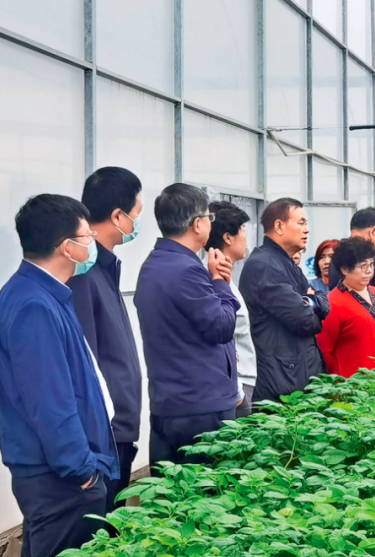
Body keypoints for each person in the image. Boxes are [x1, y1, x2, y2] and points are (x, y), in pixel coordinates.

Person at [0, 194, 118, 557]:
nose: (92, 242)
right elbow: (50, 402)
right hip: (59, 479)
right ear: (66, 246)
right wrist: (81, 470)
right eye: (87, 236)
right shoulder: (34, 305)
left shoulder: (44, 295)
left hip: (59, 474)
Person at [134, 184, 241, 470]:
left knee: (172, 488)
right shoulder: (186, 269)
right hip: (200, 408)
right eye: (209, 217)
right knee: (207, 489)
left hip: (171, 402)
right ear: (197, 224)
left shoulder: (155, 263)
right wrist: (221, 283)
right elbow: (221, 326)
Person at [67, 167, 144, 511]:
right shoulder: (84, 274)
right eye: (136, 214)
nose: (136, 223)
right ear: (117, 216)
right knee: (101, 528)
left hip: (117, 432)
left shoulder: (105, 268)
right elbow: (83, 362)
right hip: (104, 436)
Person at [239, 198, 331, 402]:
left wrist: (311, 302)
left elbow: (321, 299)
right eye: (301, 223)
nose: (307, 230)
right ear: (279, 226)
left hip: (295, 375)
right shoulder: (264, 265)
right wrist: (312, 305)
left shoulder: (285, 263)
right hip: (281, 384)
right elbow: (304, 320)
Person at [317, 238, 375, 377]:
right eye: (363, 266)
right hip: (355, 382)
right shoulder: (333, 302)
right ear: (345, 269)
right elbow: (325, 351)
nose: (369, 271)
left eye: (371, 264)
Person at [206, 201, 256, 417]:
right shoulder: (212, 279)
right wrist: (238, 393)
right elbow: (219, 338)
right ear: (228, 237)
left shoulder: (225, 276)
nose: (246, 239)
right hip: (235, 388)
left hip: (241, 384)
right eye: (243, 230)